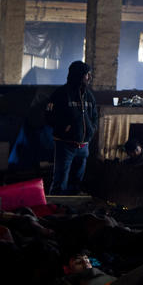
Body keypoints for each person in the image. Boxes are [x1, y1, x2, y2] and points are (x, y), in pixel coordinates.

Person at [45, 61, 98, 195]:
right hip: (65, 145)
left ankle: (71, 208)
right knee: (60, 180)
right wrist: (65, 128)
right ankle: (55, 208)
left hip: (83, 146)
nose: (89, 78)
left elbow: (95, 117)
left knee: (77, 182)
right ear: (78, 75)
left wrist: (91, 130)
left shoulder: (89, 96)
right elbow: (48, 116)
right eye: (87, 75)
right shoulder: (61, 94)